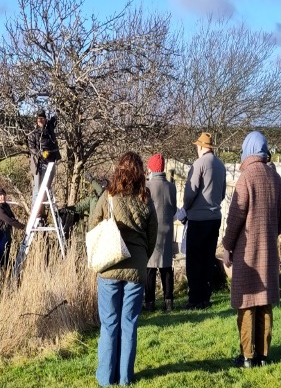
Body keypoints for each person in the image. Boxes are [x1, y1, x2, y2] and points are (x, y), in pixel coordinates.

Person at [89, 152, 158, 387]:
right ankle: (125, 377)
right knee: (129, 324)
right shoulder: (145, 198)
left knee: (109, 324)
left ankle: (106, 378)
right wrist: (141, 258)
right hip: (136, 268)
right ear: (140, 173)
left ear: (119, 170)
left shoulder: (108, 195)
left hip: (109, 266)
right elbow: (152, 236)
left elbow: (93, 226)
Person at [222, 131, 281, 368]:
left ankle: (247, 356)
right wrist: (269, 233)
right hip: (268, 251)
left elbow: (235, 218)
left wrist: (227, 246)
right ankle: (263, 355)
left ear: (247, 150)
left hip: (246, 251)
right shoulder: (275, 177)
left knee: (247, 301)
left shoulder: (246, 176)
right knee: (265, 301)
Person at [183, 132, 226, 309]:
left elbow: (190, 191)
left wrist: (186, 208)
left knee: (194, 260)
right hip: (215, 217)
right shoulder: (221, 165)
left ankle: (195, 298)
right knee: (208, 258)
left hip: (198, 218)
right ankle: (205, 297)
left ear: (201, 147)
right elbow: (222, 193)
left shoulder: (199, 164)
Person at [144, 154, 177, 312]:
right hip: (167, 230)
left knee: (150, 269)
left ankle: (150, 302)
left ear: (151, 168)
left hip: (152, 231)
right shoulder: (171, 187)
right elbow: (174, 208)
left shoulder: (147, 186)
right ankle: (168, 301)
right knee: (166, 267)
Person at [27, 109, 61, 214]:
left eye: (42, 118)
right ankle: (36, 212)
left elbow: (56, 117)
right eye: (38, 119)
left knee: (47, 187)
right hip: (39, 164)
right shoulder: (33, 133)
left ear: (45, 119)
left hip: (50, 163)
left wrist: (59, 107)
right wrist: (40, 153)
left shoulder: (50, 127)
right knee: (37, 189)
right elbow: (31, 148)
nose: (40, 120)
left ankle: (48, 212)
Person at [0, 188, 25, 264]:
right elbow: (9, 220)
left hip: (7, 233)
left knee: (7, 252)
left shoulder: (6, 206)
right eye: (0, 195)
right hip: (1, 234)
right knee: (2, 254)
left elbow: (12, 217)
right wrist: (23, 227)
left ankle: (6, 267)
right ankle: (1, 269)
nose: (3, 196)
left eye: (3, 194)